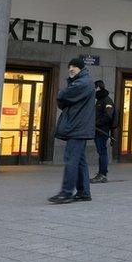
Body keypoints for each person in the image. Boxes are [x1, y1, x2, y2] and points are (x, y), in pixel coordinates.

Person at [48, 57, 95, 204]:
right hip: (78, 127)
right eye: (69, 68)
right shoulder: (80, 82)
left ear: (81, 68)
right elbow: (65, 99)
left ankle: (66, 192)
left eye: (74, 67)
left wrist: (63, 93)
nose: (71, 70)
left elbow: (63, 95)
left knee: (71, 160)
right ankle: (83, 193)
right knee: (79, 161)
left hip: (77, 127)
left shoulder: (84, 82)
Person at [91, 80, 115, 184]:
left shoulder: (106, 100)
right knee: (101, 151)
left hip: (102, 130)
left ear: (98, 88)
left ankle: (103, 174)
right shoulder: (100, 100)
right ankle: (101, 173)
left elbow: (108, 116)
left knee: (102, 152)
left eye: (94, 88)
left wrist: (96, 123)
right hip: (98, 130)